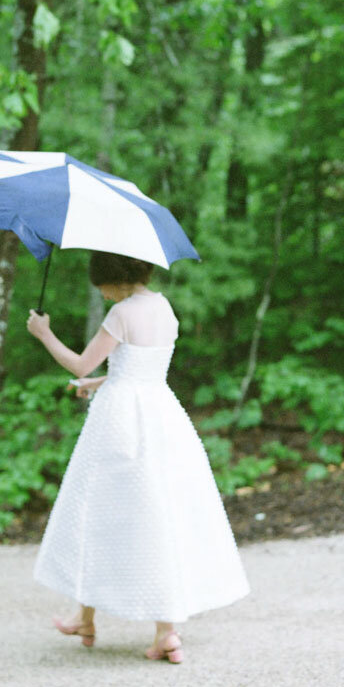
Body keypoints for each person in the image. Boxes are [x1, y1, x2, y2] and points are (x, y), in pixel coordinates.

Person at [26, 250, 249, 663]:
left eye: (102, 286)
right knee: (159, 513)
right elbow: (140, 367)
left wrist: (44, 333)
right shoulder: (163, 307)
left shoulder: (122, 314)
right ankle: (158, 630)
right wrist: (98, 381)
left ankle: (89, 616)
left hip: (121, 423)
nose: (103, 295)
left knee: (100, 511)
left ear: (114, 278)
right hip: (161, 416)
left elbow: (78, 361)